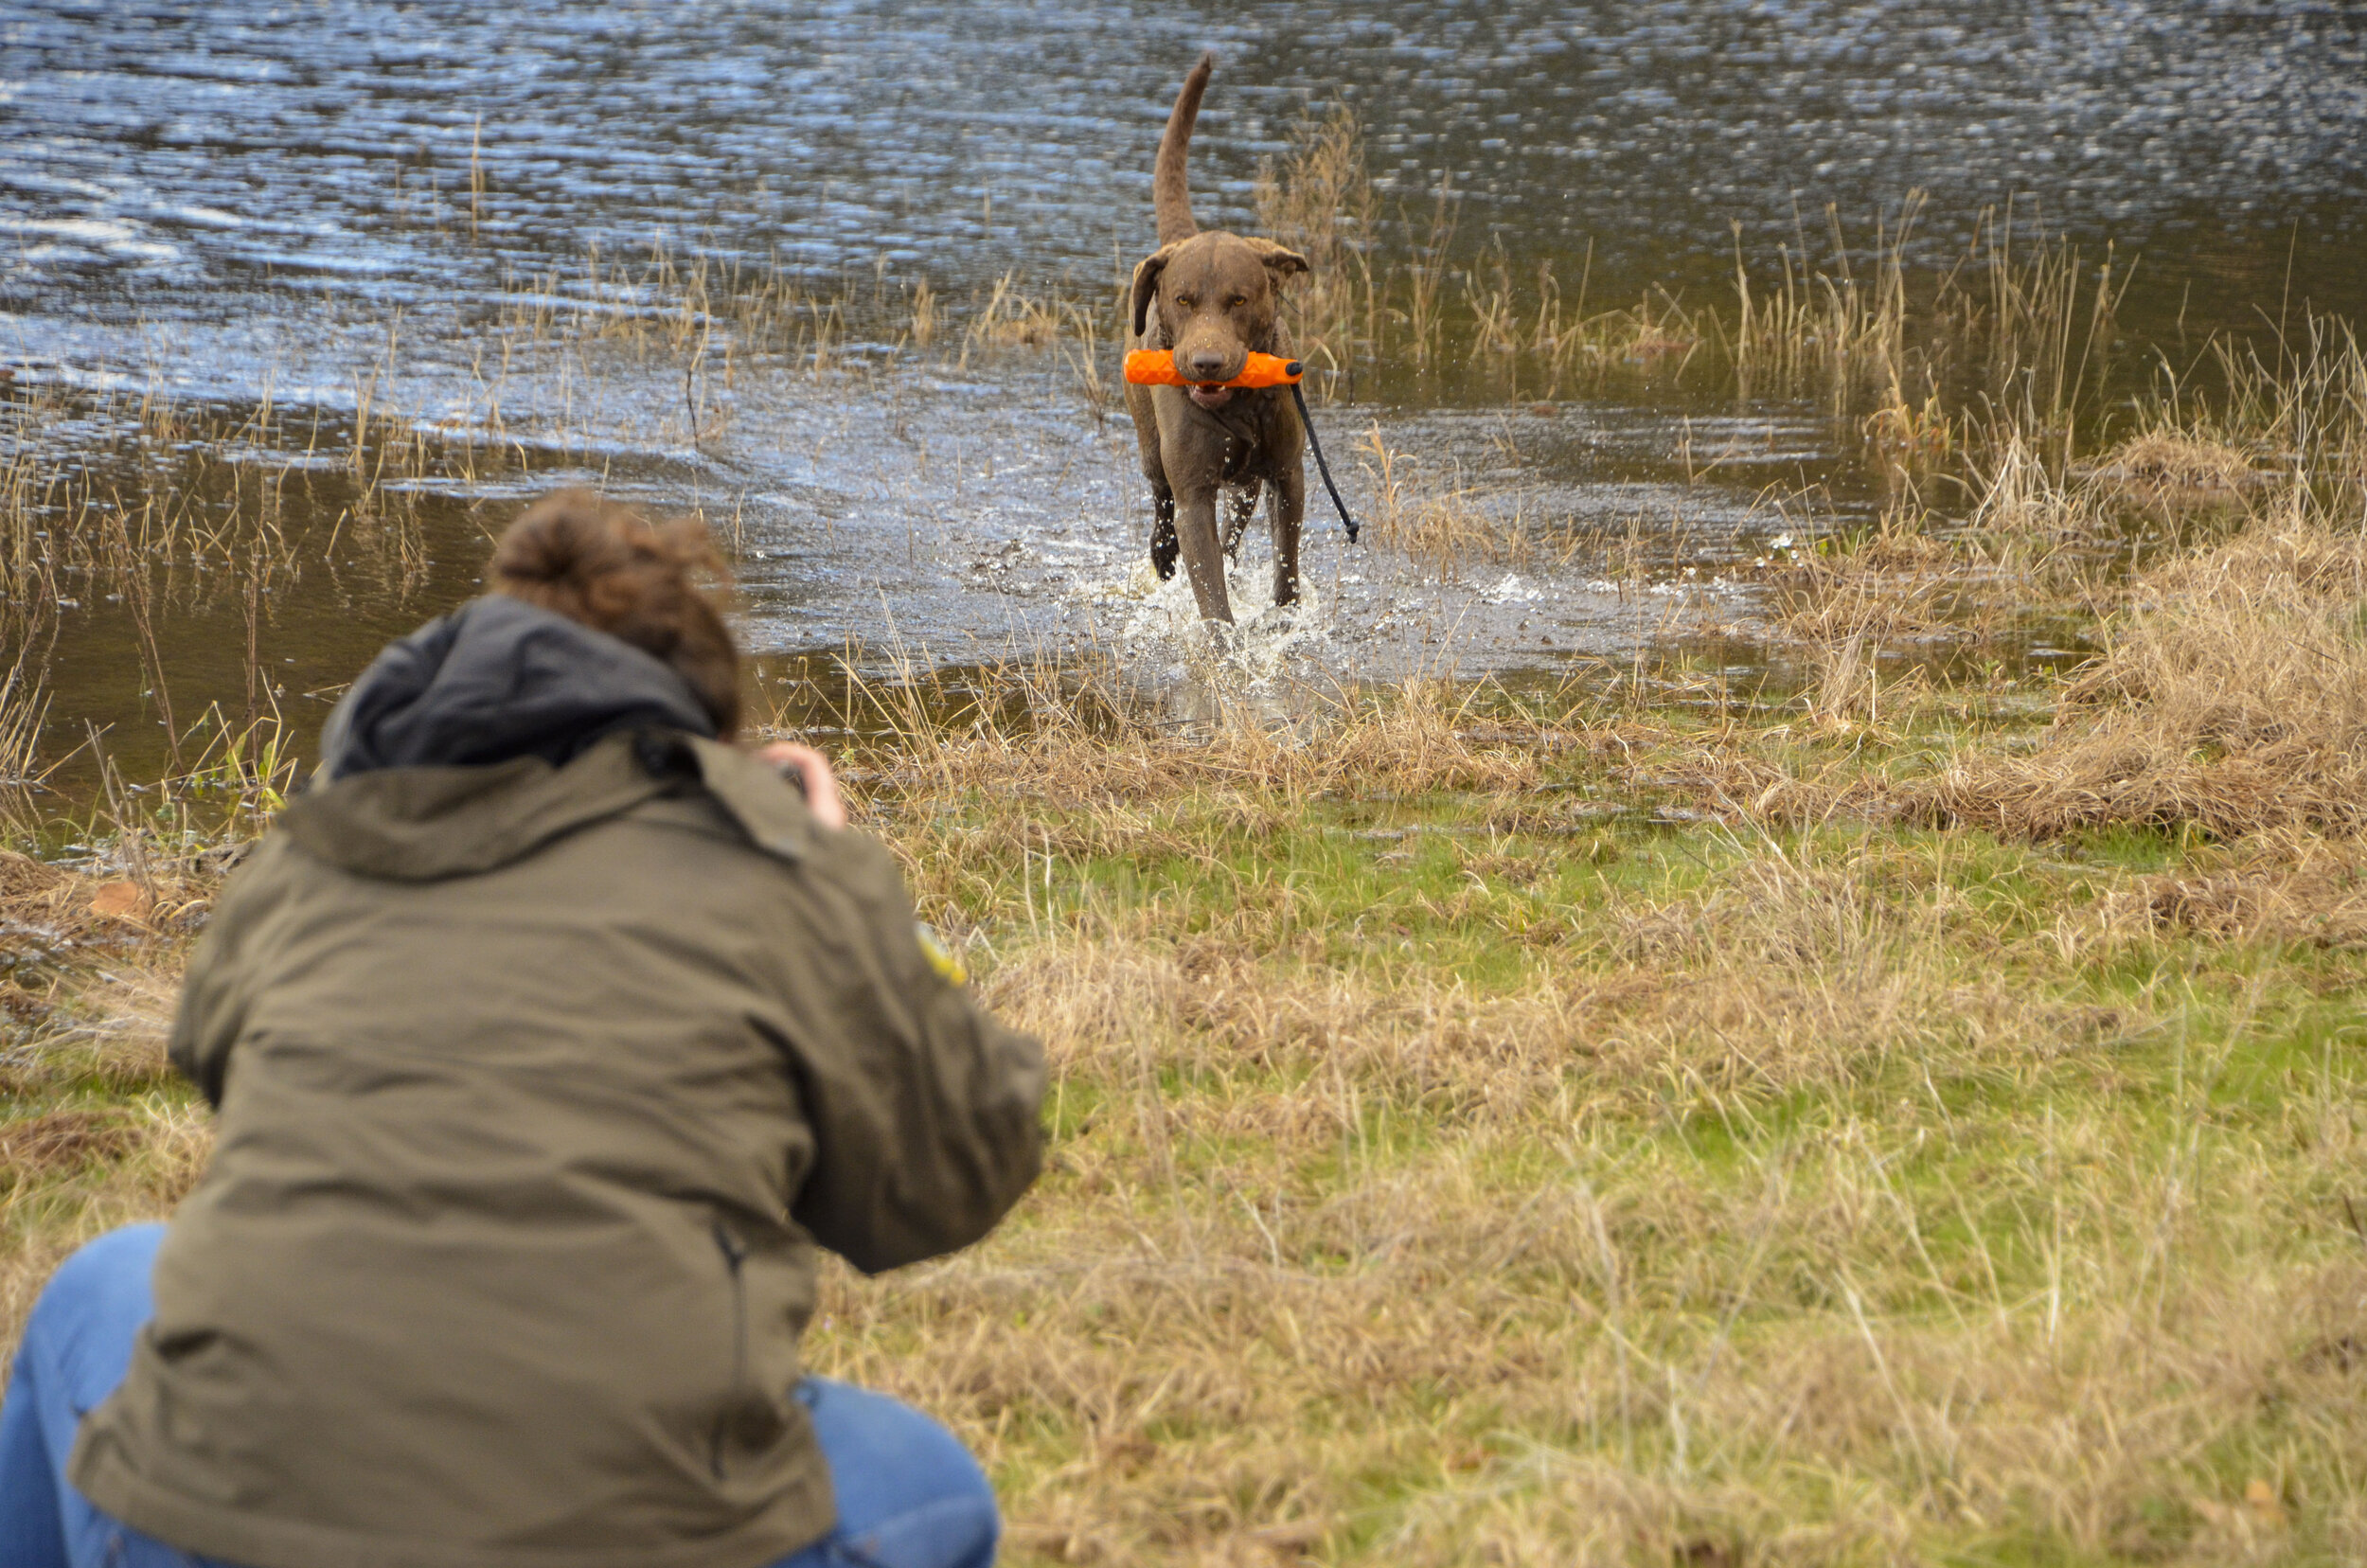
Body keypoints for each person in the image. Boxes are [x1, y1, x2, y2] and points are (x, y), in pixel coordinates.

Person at [0, 490, 1045, 1568]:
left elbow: (215, 1057)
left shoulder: (313, 851)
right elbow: (945, 1182)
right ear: (699, 728)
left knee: (99, 1280)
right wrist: (854, 897)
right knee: (934, 1489)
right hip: (624, 1532)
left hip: (213, 1524)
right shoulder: (776, 868)